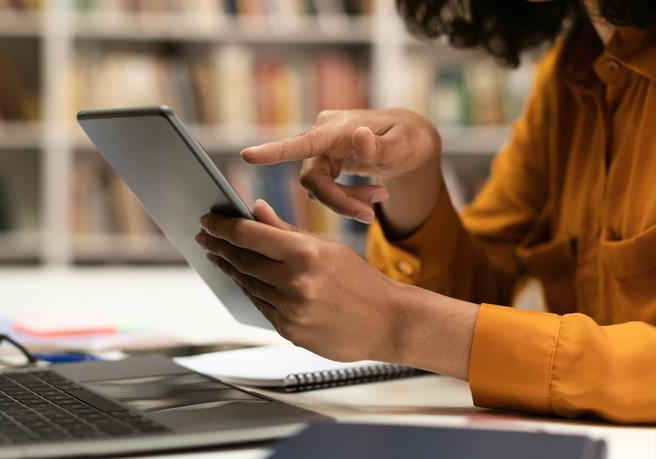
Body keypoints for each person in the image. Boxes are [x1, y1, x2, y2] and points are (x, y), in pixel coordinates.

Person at [195, 0, 656, 424]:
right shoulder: (574, 68)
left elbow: (440, 328)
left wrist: (400, 323)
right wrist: (413, 175)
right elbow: (473, 300)